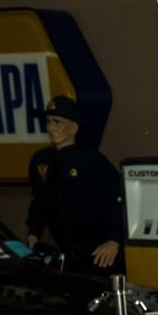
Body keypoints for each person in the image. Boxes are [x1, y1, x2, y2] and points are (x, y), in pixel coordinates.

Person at [25, 95, 125, 276]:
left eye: (58, 122)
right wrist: (33, 234)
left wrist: (115, 241)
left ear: (74, 127)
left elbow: (118, 200)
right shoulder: (40, 160)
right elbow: (39, 201)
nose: (51, 128)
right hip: (65, 253)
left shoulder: (92, 160)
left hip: (98, 253)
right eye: (48, 122)